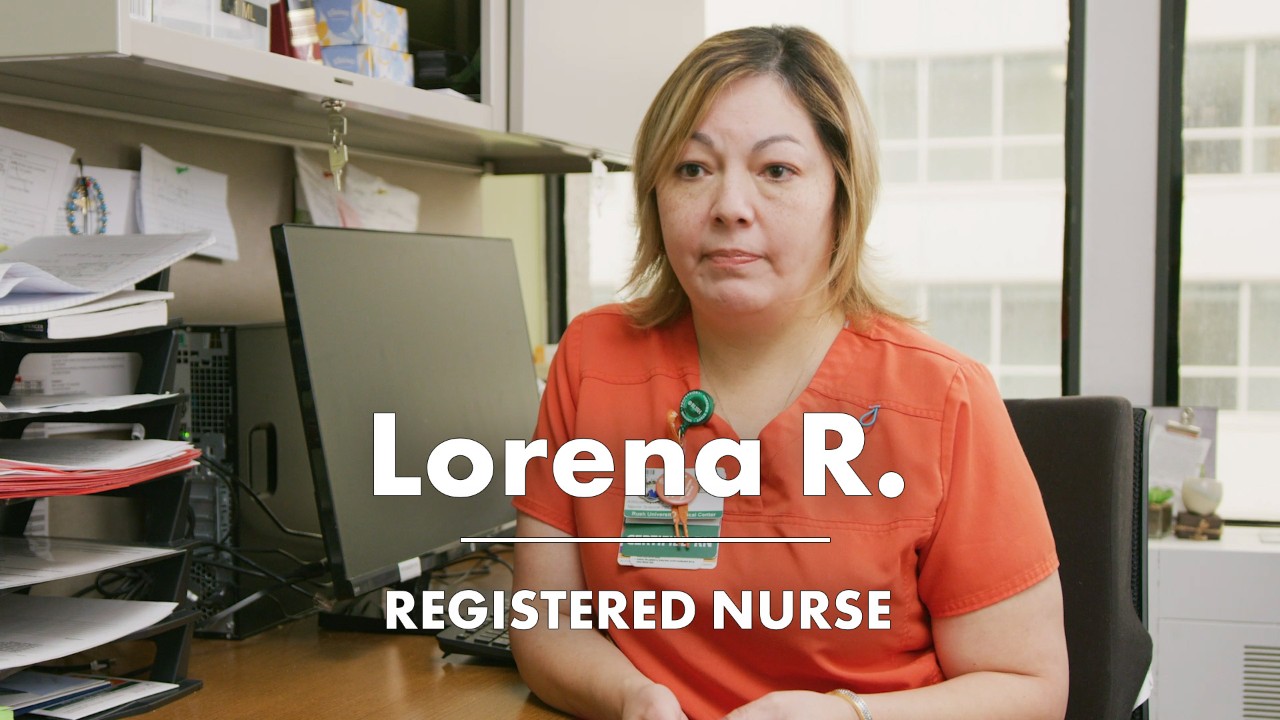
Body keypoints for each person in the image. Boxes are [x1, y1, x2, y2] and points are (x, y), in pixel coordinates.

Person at [511, 25, 1068, 720]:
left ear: (842, 190)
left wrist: (847, 718)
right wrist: (633, 698)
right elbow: (545, 624)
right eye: (692, 168)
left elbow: (1029, 687)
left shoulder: (943, 397)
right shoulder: (592, 361)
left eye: (776, 171)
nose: (729, 207)